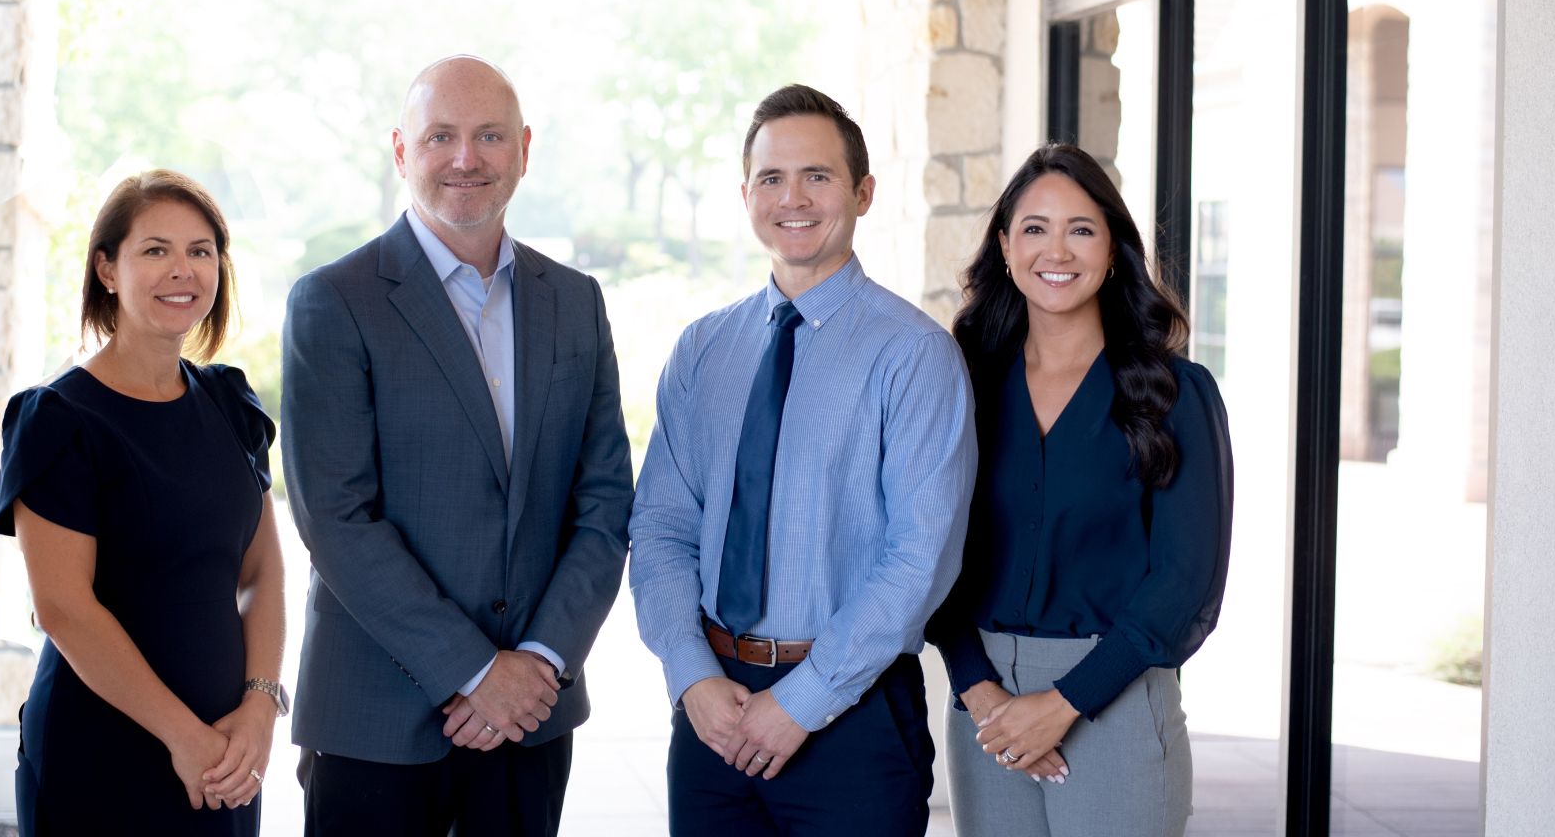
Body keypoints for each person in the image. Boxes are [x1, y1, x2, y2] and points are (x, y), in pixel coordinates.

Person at [282, 55, 634, 836]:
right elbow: (336, 519)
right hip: (375, 722)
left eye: (489, 136)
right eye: (441, 136)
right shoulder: (334, 302)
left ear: (524, 149)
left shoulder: (576, 303)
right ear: (403, 152)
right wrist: (474, 673)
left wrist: (539, 662)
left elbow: (606, 503)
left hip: (531, 724)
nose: (466, 159)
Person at [628, 84, 977, 835]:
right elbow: (659, 526)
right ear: (746, 193)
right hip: (712, 708)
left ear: (863, 192)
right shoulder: (703, 349)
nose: (794, 198)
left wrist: (803, 700)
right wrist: (691, 675)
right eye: (771, 178)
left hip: (852, 715)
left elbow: (920, 560)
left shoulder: (914, 355)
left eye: (817, 176)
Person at [925, 143, 1234, 837]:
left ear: (1114, 248)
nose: (1055, 249)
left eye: (1081, 229)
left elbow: (1184, 578)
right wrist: (977, 689)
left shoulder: (1175, 394)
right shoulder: (961, 386)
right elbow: (928, 547)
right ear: (1005, 246)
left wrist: (1064, 702)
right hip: (984, 704)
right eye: (1034, 228)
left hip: (1115, 695)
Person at [0, 170, 286, 836]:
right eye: (155, 250)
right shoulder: (58, 419)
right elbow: (64, 609)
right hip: (101, 752)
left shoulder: (231, 405)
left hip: (227, 750)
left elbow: (262, 572)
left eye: (200, 250)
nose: (182, 270)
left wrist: (260, 709)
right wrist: (184, 738)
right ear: (107, 268)